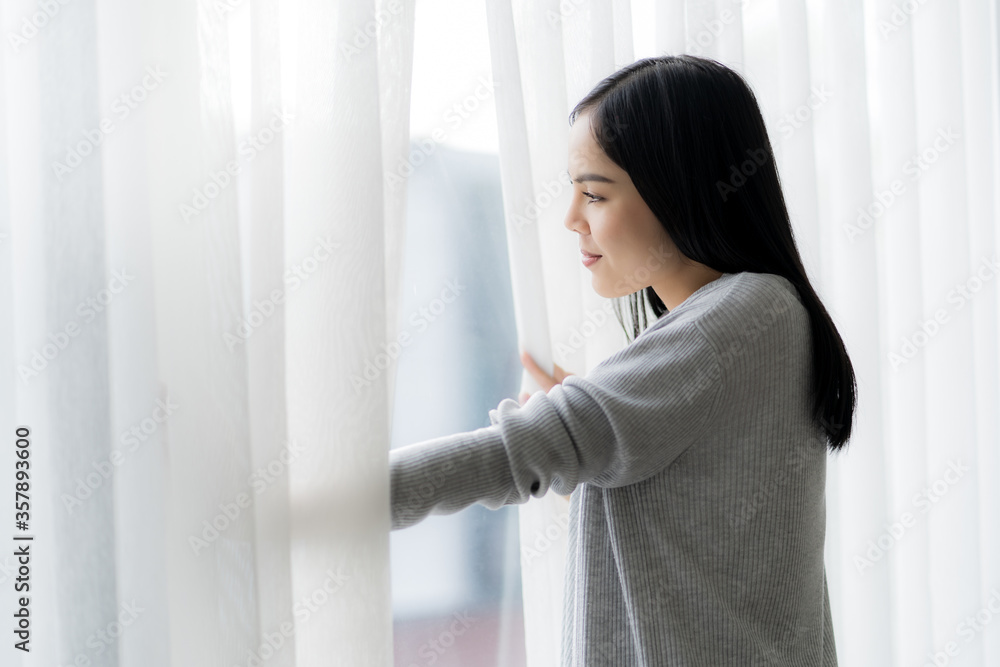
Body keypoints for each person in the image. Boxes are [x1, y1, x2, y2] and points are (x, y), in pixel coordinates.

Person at [390, 54, 856, 666]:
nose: (570, 219)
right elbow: (693, 535)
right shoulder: (753, 318)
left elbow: (509, 457)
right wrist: (588, 453)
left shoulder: (750, 312)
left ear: (678, 189)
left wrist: (342, 494)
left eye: (594, 194)